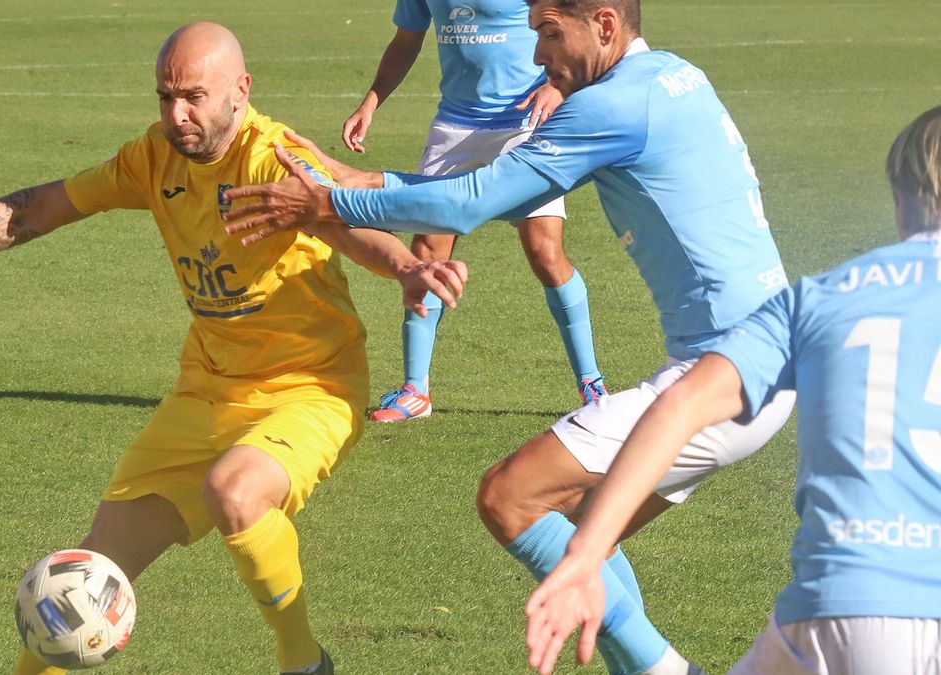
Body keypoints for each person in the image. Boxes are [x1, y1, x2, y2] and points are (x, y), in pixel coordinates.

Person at [0, 22, 467, 675]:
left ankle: (302, 661)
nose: (176, 115)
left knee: (234, 492)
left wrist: (406, 268)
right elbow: (39, 208)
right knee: (81, 586)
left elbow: (345, 225)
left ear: (241, 91)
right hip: (206, 392)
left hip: (311, 387)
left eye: (193, 97)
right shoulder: (153, 159)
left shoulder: (277, 157)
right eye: (164, 97)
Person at [221, 1, 797, 672]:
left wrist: (335, 202)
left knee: (511, 496)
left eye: (551, 34)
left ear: (605, 25)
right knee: (584, 537)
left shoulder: (609, 108)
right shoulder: (672, 77)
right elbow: (486, 192)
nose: (538, 58)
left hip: (723, 374)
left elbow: (468, 203)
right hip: (762, 358)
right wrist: (356, 180)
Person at [524, 106, 941, 675]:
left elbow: (682, 403)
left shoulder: (820, 296)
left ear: (900, 202)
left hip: (834, 606)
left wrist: (586, 551)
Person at [343, 0, 606, 423]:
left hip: (524, 125)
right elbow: (406, 40)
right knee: (428, 253)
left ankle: (592, 385)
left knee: (545, 254)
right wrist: (371, 101)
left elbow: (576, 30)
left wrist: (559, 85)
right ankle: (416, 391)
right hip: (455, 130)